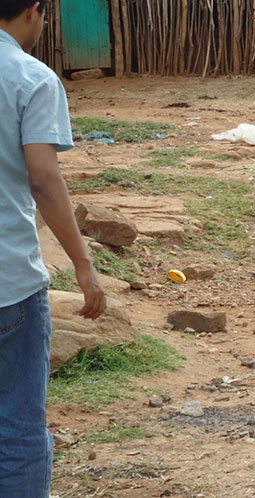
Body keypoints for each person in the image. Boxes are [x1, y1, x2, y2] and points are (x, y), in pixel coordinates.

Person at [0, 1, 107, 496]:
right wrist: (84, 265)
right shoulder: (32, 78)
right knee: (19, 427)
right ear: (34, 12)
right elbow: (43, 177)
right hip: (10, 284)